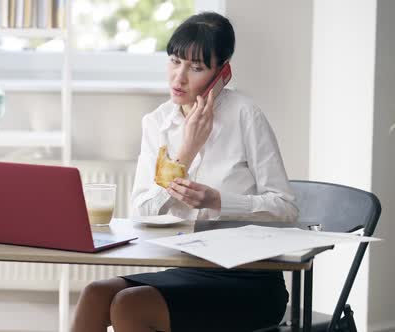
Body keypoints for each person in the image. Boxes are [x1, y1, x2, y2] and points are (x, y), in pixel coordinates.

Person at [71, 11, 299, 332]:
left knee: (129, 305)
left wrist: (219, 200)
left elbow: (286, 208)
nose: (179, 78)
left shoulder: (246, 116)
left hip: (249, 279)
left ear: (223, 73)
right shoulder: (157, 122)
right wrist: (185, 154)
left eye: (196, 68)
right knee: (95, 294)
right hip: (185, 266)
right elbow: (141, 211)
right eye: (175, 61)